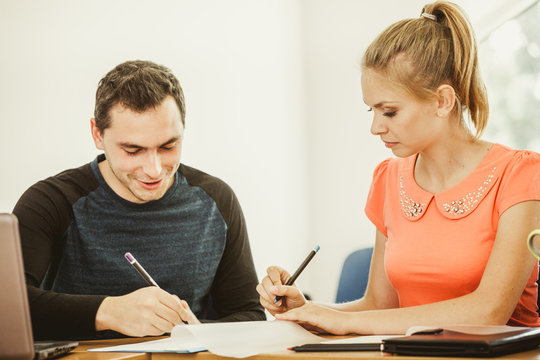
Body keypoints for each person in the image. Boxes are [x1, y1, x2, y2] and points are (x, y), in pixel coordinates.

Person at [257, 1, 540, 335]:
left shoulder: (521, 176)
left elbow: (487, 312)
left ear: (442, 101)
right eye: (371, 111)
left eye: (389, 112)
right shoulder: (389, 178)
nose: (376, 127)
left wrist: (345, 321)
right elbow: (379, 305)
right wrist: (308, 311)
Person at [13, 60, 265, 340]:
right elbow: (9, 306)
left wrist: (194, 331)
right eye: (133, 150)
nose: (154, 169)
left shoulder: (217, 200)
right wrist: (109, 311)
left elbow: (249, 314)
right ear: (97, 134)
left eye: (168, 146)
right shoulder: (51, 201)